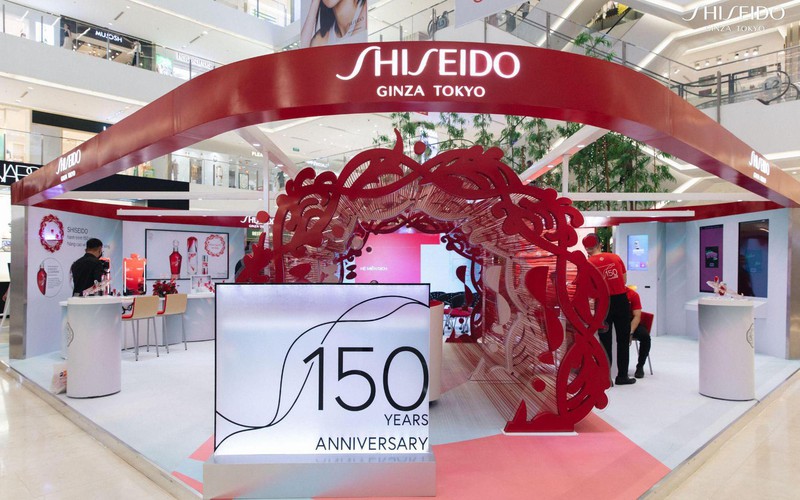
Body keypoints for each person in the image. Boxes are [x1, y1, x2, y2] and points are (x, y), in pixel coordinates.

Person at [583, 233, 636, 385]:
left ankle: (606, 378)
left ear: (586, 248)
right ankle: (622, 376)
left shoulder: (587, 264)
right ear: (600, 244)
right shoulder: (615, 258)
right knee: (623, 340)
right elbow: (624, 280)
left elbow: (589, 289)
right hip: (621, 300)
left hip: (603, 304)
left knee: (605, 342)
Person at [300, 0, 367, 47]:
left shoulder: (366, 10)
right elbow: (302, 53)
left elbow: (353, 50)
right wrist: (314, 3)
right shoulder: (321, 39)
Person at [626, 285, 651, 379]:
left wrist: (631, 332)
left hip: (631, 322)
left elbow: (637, 316)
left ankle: (640, 365)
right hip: (615, 322)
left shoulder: (632, 294)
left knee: (645, 337)